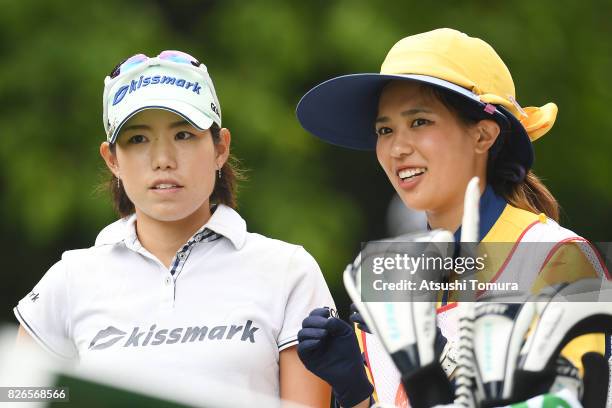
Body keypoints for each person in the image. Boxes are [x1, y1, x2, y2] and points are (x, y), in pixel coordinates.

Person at [294, 29, 610, 407]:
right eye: (384, 129)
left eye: (420, 122)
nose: (397, 148)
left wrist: (437, 360)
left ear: (483, 135)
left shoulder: (561, 261)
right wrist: (354, 390)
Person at [14, 50, 333, 407]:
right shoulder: (68, 281)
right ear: (112, 159)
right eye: (138, 139)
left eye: (183, 135)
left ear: (220, 148)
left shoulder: (288, 271)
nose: (163, 159)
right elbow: (20, 396)